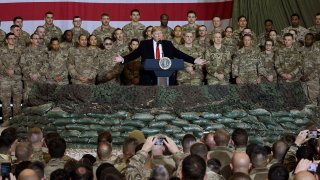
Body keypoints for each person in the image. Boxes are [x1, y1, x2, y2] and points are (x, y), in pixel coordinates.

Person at [113, 26, 206, 85]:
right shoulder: (145, 44)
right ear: (152, 35)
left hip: (166, 72)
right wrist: (123, 59)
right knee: (146, 84)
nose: (159, 35)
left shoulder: (167, 44)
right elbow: (135, 54)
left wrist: (194, 60)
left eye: (160, 33)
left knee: (169, 83)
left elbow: (179, 54)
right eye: (156, 34)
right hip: (149, 73)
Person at [0, 33, 23, 127]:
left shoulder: (20, 50)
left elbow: (23, 63)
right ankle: (6, 120)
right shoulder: (1, 50)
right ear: (6, 40)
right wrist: (6, 71)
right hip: (4, 79)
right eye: (10, 38)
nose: (12, 40)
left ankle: (17, 121)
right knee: (5, 101)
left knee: (17, 100)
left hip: (17, 78)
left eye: (14, 38)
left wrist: (14, 70)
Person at [20, 33, 48, 101]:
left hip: (40, 78)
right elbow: (22, 64)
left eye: (39, 39)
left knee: (41, 99)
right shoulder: (25, 51)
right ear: (31, 40)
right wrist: (30, 74)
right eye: (35, 39)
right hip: (29, 79)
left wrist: (38, 74)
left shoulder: (44, 51)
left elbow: (46, 64)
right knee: (28, 99)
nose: (38, 40)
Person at [299, 33, 320, 105]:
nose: (307, 41)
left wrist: (309, 77)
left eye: (309, 39)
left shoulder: (317, 51)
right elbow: (296, 64)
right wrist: (300, 75)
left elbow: (318, 67)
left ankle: (315, 115)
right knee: (304, 101)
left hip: (313, 80)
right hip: (302, 79)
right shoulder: (300, 50)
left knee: (313, 100)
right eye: (306, 39)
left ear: (313, 40)